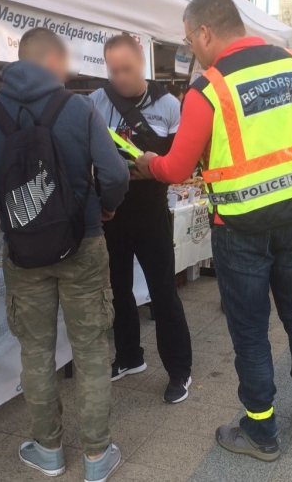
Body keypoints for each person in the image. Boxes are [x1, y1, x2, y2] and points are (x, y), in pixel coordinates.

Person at [132, 0, 292, 461]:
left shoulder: (210, 89)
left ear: (205, 32)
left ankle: (261, 428)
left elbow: (176, 167)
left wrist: (146, 163)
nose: (191, 50)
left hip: (240, 228)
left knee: (250, 329)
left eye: (189, 41)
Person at [0, 27, 129, 482]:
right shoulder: (79, 108)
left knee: (35, 351)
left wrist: (15, 196)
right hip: (83, 243)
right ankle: (97, 456)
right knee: (91, 349)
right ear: (51, 59)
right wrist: (105, 206)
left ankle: (48, 450)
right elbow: (115, 174)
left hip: (23, 251)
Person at [89, 34, 193, 403]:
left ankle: (179, 371)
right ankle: (129, 356)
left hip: (151, 212)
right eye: (113, 70)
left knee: (163, 292)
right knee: (117, 289)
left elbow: (181, 164)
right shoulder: (95, 101)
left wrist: (149, 169)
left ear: (142, 65)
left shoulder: (168, 104)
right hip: (111, 211)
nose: (119, 77)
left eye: (127, 69)